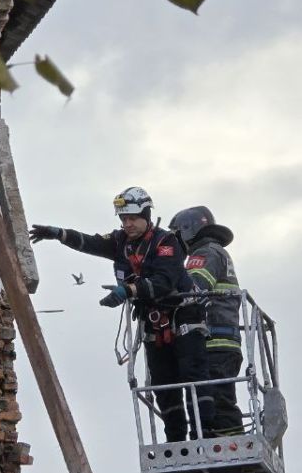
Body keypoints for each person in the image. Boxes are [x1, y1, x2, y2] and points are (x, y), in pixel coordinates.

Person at [29, 187, 213, 442]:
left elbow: (164, 282)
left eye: (132, 218)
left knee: (194, 380)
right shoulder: (120, 243)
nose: (127, 224)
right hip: (154, 324)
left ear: (146, 215)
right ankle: (177, 442)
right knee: (163, 387)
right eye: (123, 219)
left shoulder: (166, 242)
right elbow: (91, 242)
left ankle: (204, 438)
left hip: (183, 318)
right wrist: (60, 234)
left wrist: (127, 290)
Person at [169, 206, 244, 437]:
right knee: (219, 396)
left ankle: (230, 444)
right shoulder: (217, 251)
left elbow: (192, 290)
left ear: (187, 231)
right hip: (225, 339)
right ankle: (222, 439)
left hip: (213, 340)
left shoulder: (204, 254)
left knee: (217, 398)